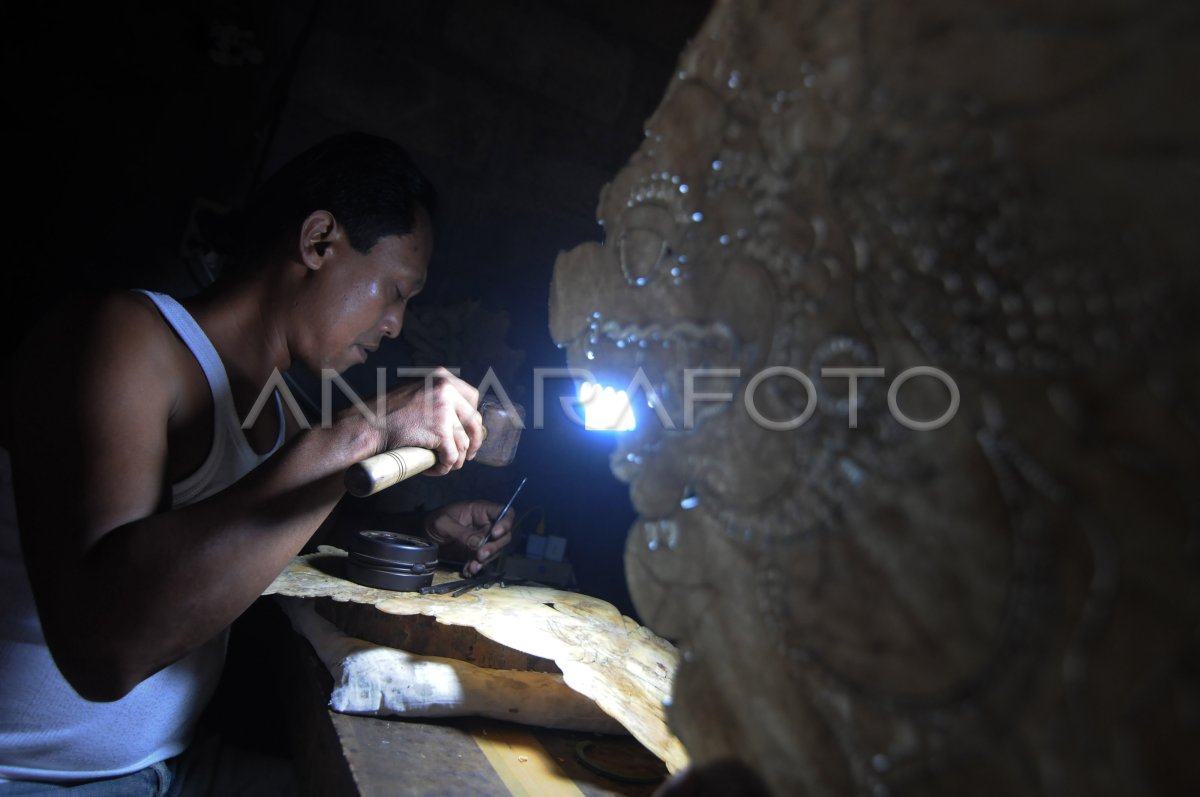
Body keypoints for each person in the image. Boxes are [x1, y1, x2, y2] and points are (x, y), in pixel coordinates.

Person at [0, 131, 512, 792]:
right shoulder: (125, 338)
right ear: (320, 241)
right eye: (395, 291)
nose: (394, 324)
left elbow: (286, 540)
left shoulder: (287, 419)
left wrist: (424, 530)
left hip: (167, 765)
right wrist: (363, 430)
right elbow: (104, 647)